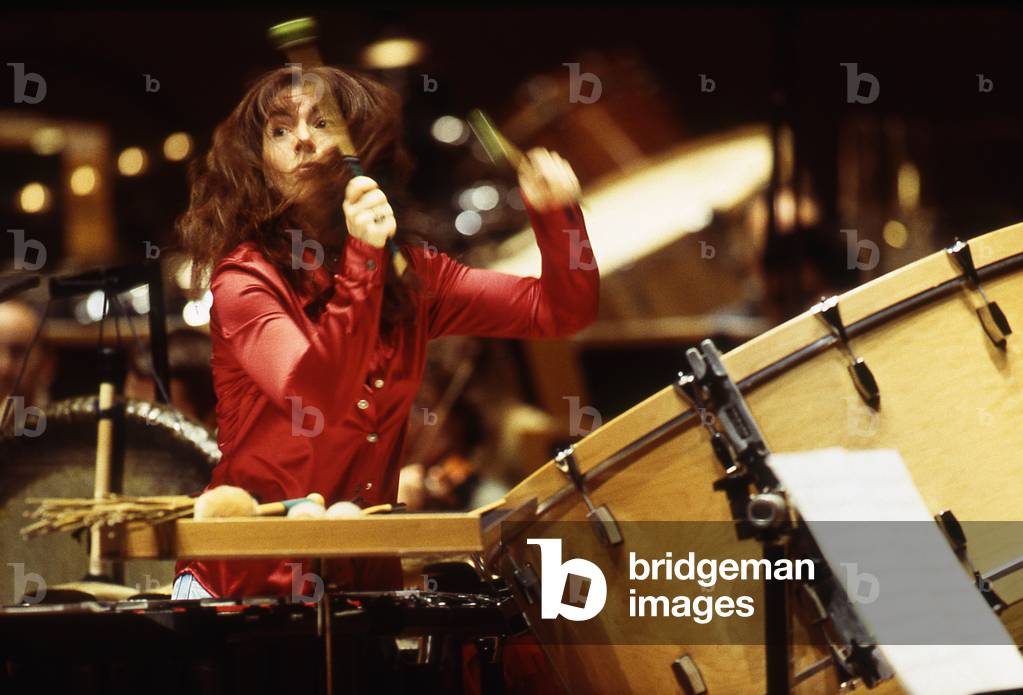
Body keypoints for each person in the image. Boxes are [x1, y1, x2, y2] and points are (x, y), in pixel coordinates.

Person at [173, 65, 599, 600]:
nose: (301, 139)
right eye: (279, 131)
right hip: (246, 584)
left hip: (360, 583)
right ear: (261, 165)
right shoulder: (245, 278)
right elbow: (314, 397)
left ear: (362, 145)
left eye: (321, 122)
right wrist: (364, 260)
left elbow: (560, 311)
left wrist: (558, 216)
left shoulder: (413, 277)